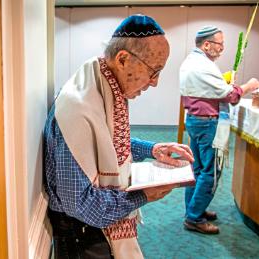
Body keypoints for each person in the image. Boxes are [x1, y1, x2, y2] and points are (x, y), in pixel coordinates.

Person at [44, 15, 194, 259]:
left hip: (92, 231)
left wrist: (152, 149)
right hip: (83, 237)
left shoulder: (102, 80)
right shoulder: (78, 109)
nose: (155, 83)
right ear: (123, 59)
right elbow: (82, 206)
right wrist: (144, 195)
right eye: (154, 71)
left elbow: (106, 143)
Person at [179, 26, 259, 234]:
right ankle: (194, 218)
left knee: (197, 170)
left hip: (195, 120)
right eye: (220, 44)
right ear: (206, 45)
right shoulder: (203, 65)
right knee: (211, 171)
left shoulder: (191, 61)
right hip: (207, 124)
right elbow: (231, 96)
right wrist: (249, 86)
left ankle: (194, 209)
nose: (222, 49)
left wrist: (225, 83)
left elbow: (210, 89)